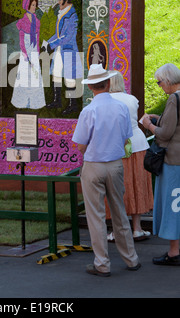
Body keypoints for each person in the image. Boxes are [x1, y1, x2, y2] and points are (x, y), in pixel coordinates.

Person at [72, 64, 140, 277]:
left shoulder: (88, 110)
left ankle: (102, 263)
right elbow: (127, 135)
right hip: (115, 164)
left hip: (94, 164)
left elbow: (81, 144)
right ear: (108, 83)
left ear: (91, 87)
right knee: (119, 211)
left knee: (96, 216)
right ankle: (131, 259)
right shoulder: (121, 107)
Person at [106, 71, 153, 242]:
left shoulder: (107, 101)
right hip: (138, 144)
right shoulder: (132, 99)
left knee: (117, 187)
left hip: (116, 146)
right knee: (137, 185)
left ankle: (117, 230)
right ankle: (137, 229)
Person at [141, 63, 180, 266]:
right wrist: (160, 119)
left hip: (174, 161)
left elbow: (166, 133)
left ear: (168, 80)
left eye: (159, 82)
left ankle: (174, 252)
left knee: (174, 207)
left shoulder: (174, 99)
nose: (159, 86)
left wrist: (149, 125)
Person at [43, 0, 83, 115]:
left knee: (69, 78)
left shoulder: (73, 15)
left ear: (66, 0)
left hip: (68, 50)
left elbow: (68, 37)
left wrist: (51, 45)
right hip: (59, 50)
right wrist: (47, 43)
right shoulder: (62, 14)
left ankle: (73, 104)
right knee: (56, 74)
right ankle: (57, 101)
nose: (59, 2)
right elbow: (58, 35)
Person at [11, 0, 46, 109]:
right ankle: (22, 101)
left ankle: (35, 102)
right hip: (26, 51)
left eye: (35, 5)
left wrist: (37, 52)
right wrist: (25, 53)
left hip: (34, 51)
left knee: (35, 76)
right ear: (28, 6)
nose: (34, 7)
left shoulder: (37, 21)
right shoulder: (22, 21)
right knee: (25, 75)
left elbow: (37, 37)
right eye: (33, 5)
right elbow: (22, 39)